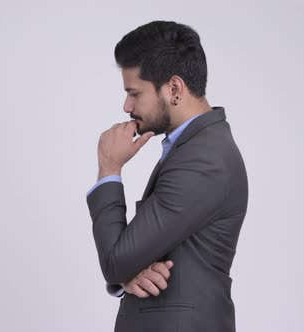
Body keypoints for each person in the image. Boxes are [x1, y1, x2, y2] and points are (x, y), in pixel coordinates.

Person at [86, 21, 248, 332]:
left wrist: (109, 169)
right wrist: (126, 271)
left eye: (134, 93)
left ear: (173, 88)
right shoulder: (192, 148)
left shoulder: (204, 158)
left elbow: (116, 260)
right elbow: (125, 260)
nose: (127, 106)